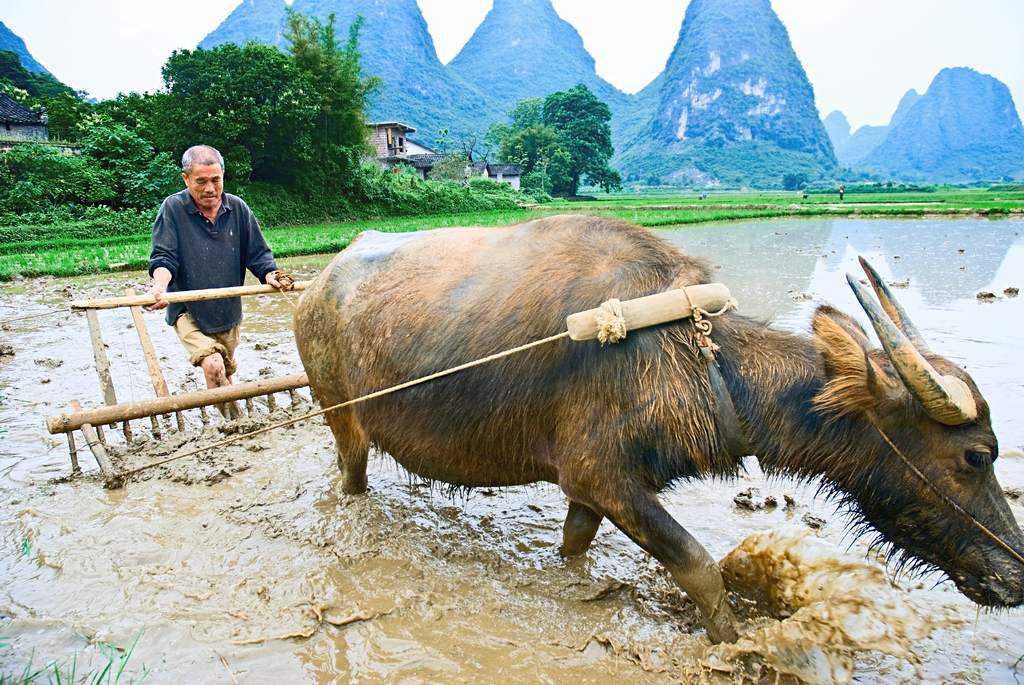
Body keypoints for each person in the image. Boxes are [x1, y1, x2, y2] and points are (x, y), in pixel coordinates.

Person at [146, 144, 288, 418]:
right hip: (188, 310)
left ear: (223, 175)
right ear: (186, 179)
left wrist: (271, 275)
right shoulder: (173, 209)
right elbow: (164, 258)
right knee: (212, 365)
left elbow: (257, 254)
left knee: (225, 371)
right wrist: (159, 287)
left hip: (227, 310)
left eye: (216, 180)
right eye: (201, 181)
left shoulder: (237, 209)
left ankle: (231, 419)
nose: (210, 188)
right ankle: (232, 427)